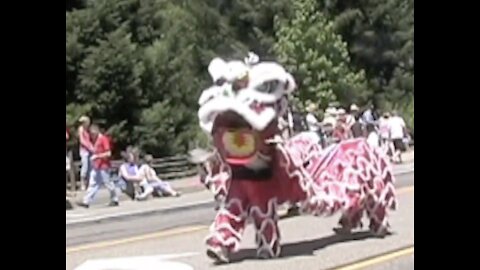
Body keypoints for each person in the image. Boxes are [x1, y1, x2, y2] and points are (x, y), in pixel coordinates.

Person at [78, 124, 119, 208]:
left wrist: (97, 156)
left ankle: (114, 199)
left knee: (108, 183)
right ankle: (86, 201)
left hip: (104, 165)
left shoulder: (103, 139)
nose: (92, 136)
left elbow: (108, 153)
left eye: (93, 134)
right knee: (93, 184)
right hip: (96, 165)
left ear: (97, 131)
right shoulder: (95, 140)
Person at [77, 116, 94, 190]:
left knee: (90, 167)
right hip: (84, 150)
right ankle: (82, 183)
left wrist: (92, 147)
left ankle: (89, 183)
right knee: (85, 166)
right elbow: (82, 140)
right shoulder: (81, 129)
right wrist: (89, 146)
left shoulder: (88, 130)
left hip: (90, 150)